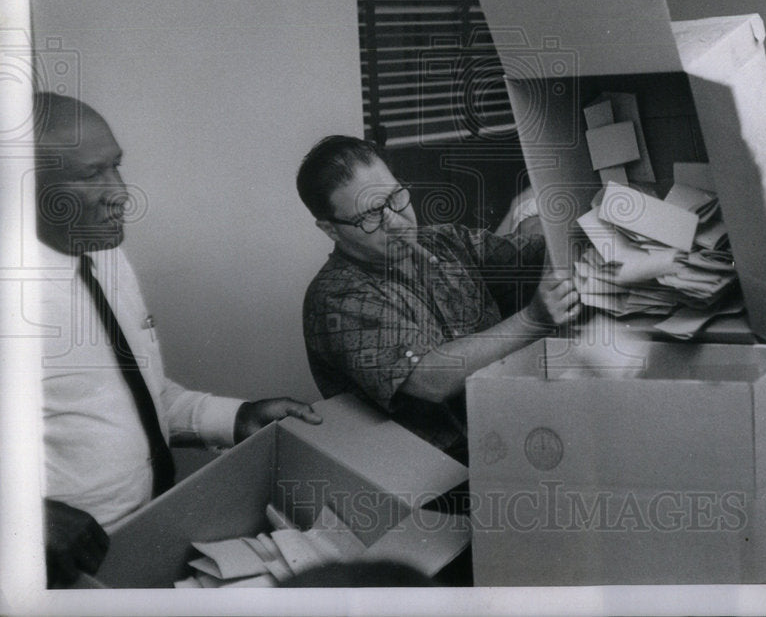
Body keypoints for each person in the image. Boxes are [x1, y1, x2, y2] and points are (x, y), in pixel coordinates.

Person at [33, 92, 322, 586]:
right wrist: (31, 519)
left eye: (115, 167)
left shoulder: (105, 257)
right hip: (62, 570)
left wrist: (236, 416)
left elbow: (137, 396)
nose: (121, 192)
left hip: (147, 530)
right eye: (90, 175)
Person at [296, 136, 580, 464]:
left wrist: (586, 225)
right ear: (331, 229)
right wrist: (533, 320)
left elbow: (534, 251)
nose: (396, 223)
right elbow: (430, 378)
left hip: (507, 430)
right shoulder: (336, 297)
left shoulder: (443, 240)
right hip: (432, 476)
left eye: (395, 197)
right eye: (370, 216)